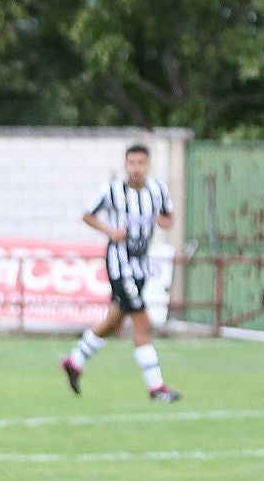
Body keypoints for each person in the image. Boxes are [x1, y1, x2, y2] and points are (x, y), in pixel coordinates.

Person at [61, 144, 180, 402]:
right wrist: (110, 232)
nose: (136, 169)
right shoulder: (112, 190)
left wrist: (164, 222)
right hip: (119, 264)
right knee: (141, 321)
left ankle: (75, 361)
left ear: (148, 165)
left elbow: (169, 216)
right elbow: (87, 215)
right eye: (132, 163)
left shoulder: (158, 190)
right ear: (126, 165)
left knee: (114, 320)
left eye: (141, 163)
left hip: (141, 264)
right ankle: (156, 387)